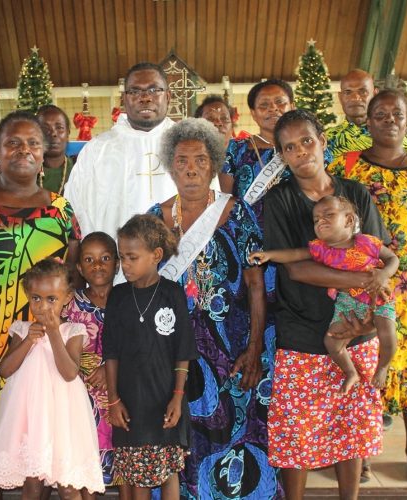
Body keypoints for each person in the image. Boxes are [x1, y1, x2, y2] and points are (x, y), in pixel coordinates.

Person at [0, 111, 81, 499]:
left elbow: (72, 279)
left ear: (44, 153)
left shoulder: (61, 210)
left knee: (35, 431)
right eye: (13, 143)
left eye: (33, 143)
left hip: (43, 342)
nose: (23, 150)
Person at [148, 118, 282, 498]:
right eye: (182, 160)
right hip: (173, 351)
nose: (190, 168)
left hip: (233, 346)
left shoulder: (239, 214)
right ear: (169, 165)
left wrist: (255, 348)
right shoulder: (153, 219)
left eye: (200, 160)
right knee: (182, 440)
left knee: (234, 436)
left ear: (214, 165)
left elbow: (257, 286)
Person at [328, 89, 407, 483]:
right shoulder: (348, 168)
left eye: (396, 113)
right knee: (366, 365)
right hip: (364, 283)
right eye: (379, 114)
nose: (388, 120)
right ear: (367, 121)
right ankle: (360, 450)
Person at [264, 109, 388, 499]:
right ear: (281, 156)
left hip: (358, 330)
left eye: (307, 141)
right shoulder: (279, 201)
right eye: (289, 147)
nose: (301, 152)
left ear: (321, 140)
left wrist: (368, 323)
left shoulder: (355, 194)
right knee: (297, 434)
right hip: (301, 330)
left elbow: (379, 257)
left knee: (349, 426)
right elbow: (297, 270)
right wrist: (358, 281)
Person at [251, 195, 399, 394]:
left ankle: (383, 367)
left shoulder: (366, 242)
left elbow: (392, 258)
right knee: (331, 341)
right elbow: (295, 254)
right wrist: (270, 255)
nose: (321, 221)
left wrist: (384, 274)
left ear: (349, 220)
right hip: (347, 302)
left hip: (378, 296)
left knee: (387, 334)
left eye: (328, 215)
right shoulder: (320, 249)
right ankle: (350, 372)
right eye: (316, 219)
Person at [0, 258, 105, 498]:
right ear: (28, 296)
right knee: (32, 484)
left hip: (64, 418)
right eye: (36, 298)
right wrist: (29, 341)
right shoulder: (21, 329)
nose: (43, 306)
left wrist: (53, 333)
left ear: (67, 298)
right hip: (30, 418)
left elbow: (69, 372)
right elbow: (5, 370)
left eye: (52, 299)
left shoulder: (72, 331)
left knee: (68, 486)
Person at [103, 214, 197, 500]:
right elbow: (111, 353)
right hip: (131, 402)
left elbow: (183, 350)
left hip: (165, 399)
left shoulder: (171, 293)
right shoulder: (118, 296)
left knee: (169, 472)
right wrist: (114, 400)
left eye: (132, 257)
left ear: (156, 255)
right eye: (122, 257)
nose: (125, 265)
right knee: (137, 477)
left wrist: (178, 398)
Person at [64, 62, 177, 239]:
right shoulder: (98, 149)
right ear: (124, 98)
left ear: (168, 96)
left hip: (181, 260)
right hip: (114, 261)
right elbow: (75, 206)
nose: (145, 97)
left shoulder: (188, 144)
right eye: (135, 91)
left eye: (154, 90)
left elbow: (209, 204)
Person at [63, 232, 129, 498]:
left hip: (122, 395)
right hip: (82, 399)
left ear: (117, 263)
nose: (98, 265)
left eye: (105, 258)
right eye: (89, 260)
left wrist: (111, 368)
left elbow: (141, 345)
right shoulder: (70, 303)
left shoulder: (129, 300)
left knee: (126, 463)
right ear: (79, 267)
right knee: (85, 465)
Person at [325, 69, 407, 159]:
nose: (355, 98)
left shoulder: (392, 135)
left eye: (362, 91)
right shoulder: (327, 138)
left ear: (374, 94)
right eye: (348, 92)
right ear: (340, 97)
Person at [37, 104, 76, 195]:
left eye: (59, 128)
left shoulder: (79, 170)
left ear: (68, 133)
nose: (53, 133)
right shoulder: (24, 173)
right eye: (45, 128)